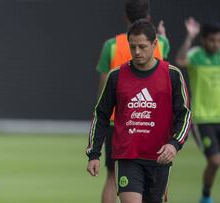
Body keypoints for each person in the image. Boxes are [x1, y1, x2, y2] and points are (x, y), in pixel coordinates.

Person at [86, 19, 191, 203]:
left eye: (142, 46)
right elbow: (101, 116)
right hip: (128, 157)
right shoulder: (116, 76)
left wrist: (174, 144)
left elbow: (185, 115)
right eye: (132, 47)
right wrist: (94, 154)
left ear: (154, 44)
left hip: (159, 159)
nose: (136, 52)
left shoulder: (172, 75)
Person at [93, 0, 170, 202]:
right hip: (151, 123)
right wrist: (162, 35)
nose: (137, 52)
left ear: (125, 17)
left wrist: (99, 118)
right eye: (133, 47)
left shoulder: (111, 45)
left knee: (111, 176)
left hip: (115, 122)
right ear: (149, 17)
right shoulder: (161, 43)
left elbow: (103, 91)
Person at [175, 17, 220, 203]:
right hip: (202, 120)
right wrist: (189, 37)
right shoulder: (195, 55)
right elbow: (180, 60)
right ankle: (206, 196)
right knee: (215, 161)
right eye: (212, 40)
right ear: (203, 39)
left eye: (219, 40)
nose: (215, 44)